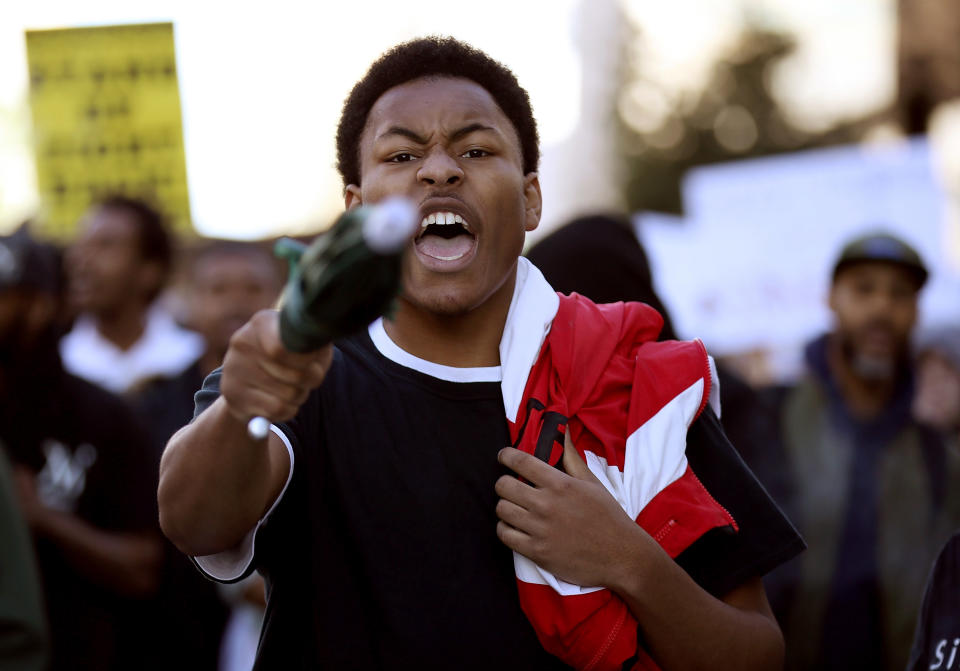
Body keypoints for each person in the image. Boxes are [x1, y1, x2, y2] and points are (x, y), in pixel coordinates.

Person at [158, 37, 802, 670]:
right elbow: (194, 524)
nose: (440, 170)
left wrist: (626, 559)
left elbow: (755, 652)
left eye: (475, 148)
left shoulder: (636, 381)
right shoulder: (303, 368)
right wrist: (242, 406)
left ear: (530, 199)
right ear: (356, 209)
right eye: (403, 154)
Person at [761, 232, 960, 670]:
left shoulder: (939, 458)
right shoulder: (768, 422)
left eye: (900, 294)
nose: (882, 309)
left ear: (917, 311)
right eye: (864, 288)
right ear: (831, 298)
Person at [0, 227, 163, 670]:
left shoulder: (103, 415)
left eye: (6, 295)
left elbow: (145, 568)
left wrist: (42, 519)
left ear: (42, 305)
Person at [134, 239, 283, 670]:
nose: (236, 302)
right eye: (218, 289)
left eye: (252, 288)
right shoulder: (151, 404)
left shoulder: (316, 394)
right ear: (189, 302)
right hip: (171, 633)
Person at [59, 195, 203, 395]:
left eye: (105, 245)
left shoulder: (196, 360)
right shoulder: (59, 366)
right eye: (81, 245)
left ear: (150, 270)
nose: (81, 261)